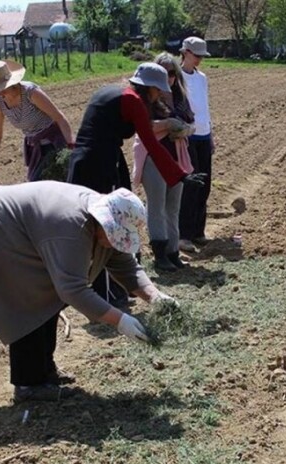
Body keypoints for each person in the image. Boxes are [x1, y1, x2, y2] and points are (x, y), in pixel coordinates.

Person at [0, 182, 177, 401]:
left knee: (46, 293)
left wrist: (156, 298)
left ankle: (43, 372)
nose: (118, 242)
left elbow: (126, 267)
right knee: (30, 294)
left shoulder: (98, 223)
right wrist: (120, 321)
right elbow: (73, 290)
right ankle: (29, 385)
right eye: (116, 235)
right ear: (105, 223)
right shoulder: (73, 228)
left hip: (7, 229)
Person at [66, 62, 206, 308]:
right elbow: (151, 143)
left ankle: (121, 282)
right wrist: (181, 175)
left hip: (89, 158)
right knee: (105, 225)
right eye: (158, 91)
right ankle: (105, 292)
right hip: (98, 163)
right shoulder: (133, 102)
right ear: (149, 88)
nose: (159, 95)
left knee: (106, 222)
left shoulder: (113, 91)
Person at [132, 52, 197, 272]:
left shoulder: (179, 95)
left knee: (173, 207)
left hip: (176, 155)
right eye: (165, 72)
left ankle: (172, 252)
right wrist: (168, 124)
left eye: (172, 73)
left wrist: (185, 129)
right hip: (153, 156)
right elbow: (143, 126)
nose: (169, 78)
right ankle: (159, 254)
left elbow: (191, 120)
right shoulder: (147, 97)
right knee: (157, 206)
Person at [0, 60, 75, 184]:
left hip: (54, 143)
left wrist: (71, 145)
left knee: (58, 182)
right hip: (34, 147)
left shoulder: (31, 93)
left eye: (0, 87)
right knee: (37, 185)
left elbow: (59, 118)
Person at [178, 36, 214, 253]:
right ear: (186, 52)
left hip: (203, 134)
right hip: (187, 136)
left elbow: (205, 107)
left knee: (205, 185)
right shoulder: (177, 77)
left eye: (202, 56)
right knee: (191, 185)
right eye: (196, 55)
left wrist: (211, 134)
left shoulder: (202, 78)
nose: (199, 59)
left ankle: (198, 231)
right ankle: (184, 234)